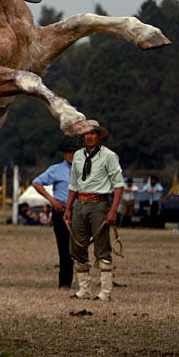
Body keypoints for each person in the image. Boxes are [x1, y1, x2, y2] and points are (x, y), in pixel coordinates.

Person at [63, 120, 124, 301]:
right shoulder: (78, 157)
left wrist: (113, 211)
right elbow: (73, 184)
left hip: (99, 204)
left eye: (92, 133)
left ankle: (105, 292)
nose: (89, 136)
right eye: (86, 133)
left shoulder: (109, 156)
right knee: (77, 247)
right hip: (79, 204)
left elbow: (119, 185)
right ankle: (84, 289)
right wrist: (68, 208)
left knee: (102, 247)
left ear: (98, 136)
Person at [32, 137, 81, 289]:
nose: (70, 155)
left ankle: (83, 283)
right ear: (63, 154)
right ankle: (65, 283)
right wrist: (51, 200)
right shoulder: (56, 169)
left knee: (79, 248)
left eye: (73, 152)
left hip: (79, 211)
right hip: (61, 210)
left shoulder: (85, 168)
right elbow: (36, 182)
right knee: (64, 248)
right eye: (67, 152)